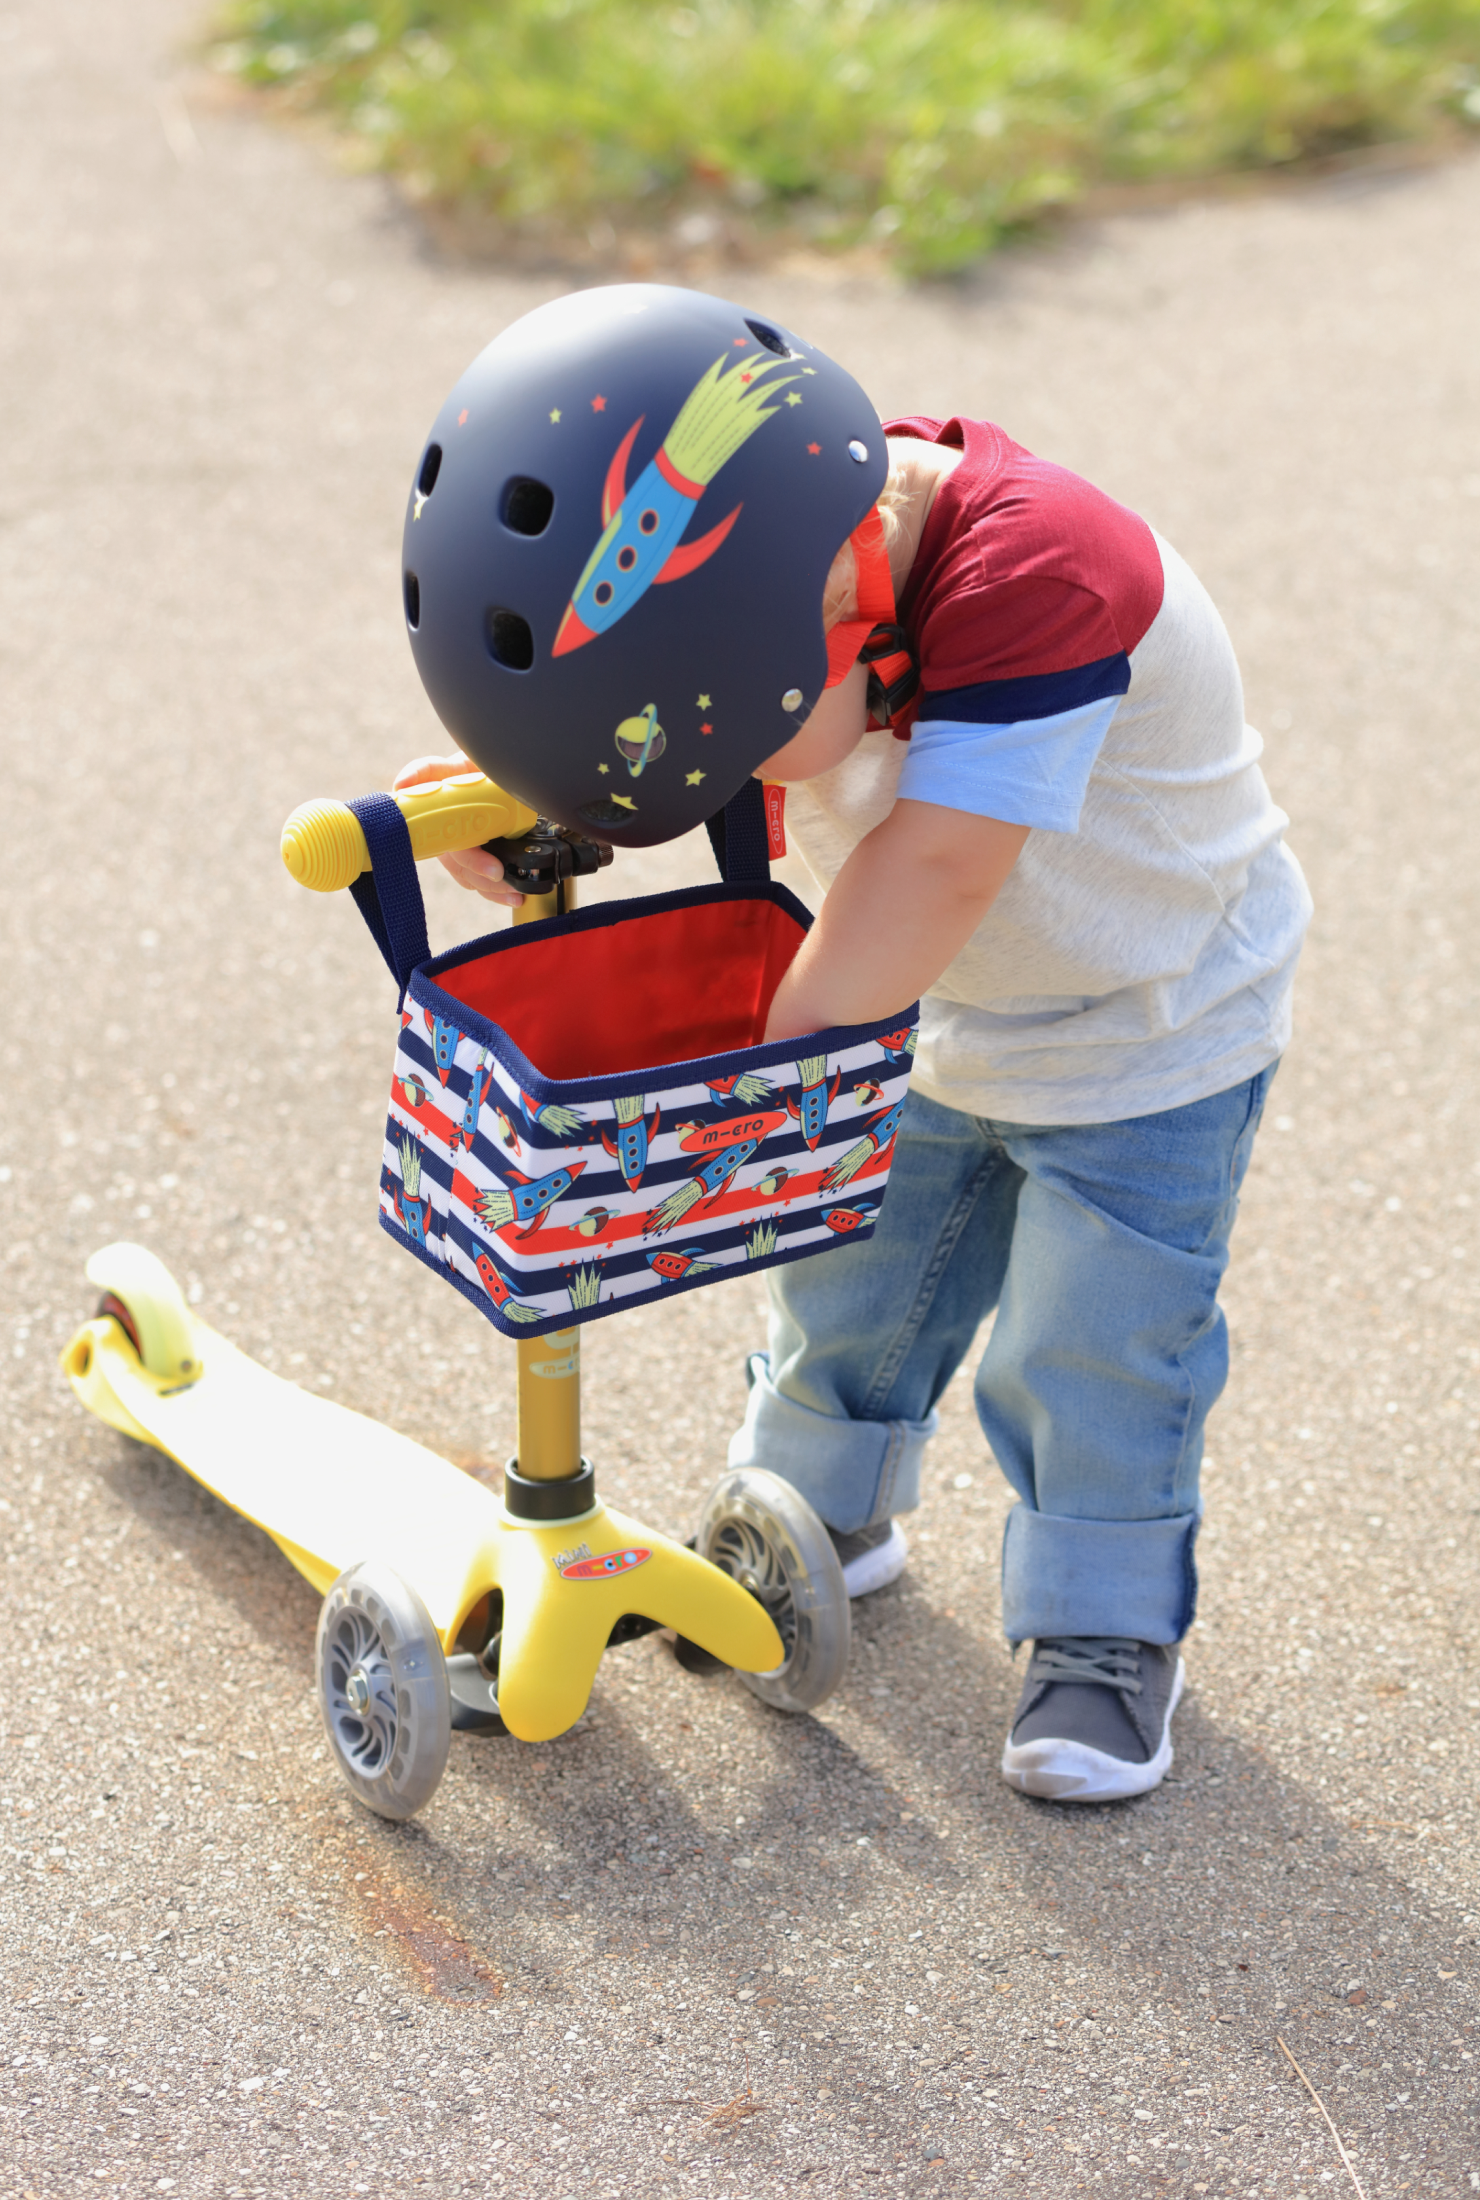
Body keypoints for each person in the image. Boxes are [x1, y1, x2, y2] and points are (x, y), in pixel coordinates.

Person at [394, 285, 1311, 1804]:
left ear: (845, 608)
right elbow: (683, 730)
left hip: (1146, 1027)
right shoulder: (773, 571)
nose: (697, 764)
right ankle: (808, 1515)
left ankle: (1100, 1630)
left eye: (710, 732)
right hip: (927, 1011)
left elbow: (937, 865)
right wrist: (542, 778)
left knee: (1093, 1342)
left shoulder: (1038, 572)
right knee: (851, 1279)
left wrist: (771, 1083)